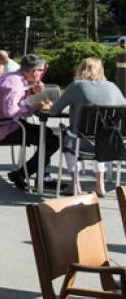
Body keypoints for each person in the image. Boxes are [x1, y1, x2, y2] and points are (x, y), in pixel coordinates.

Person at [51, 57, 126, 196]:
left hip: (80, 141)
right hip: (106, 143)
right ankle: (100, 186)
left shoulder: (76, 86)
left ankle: (75, 185)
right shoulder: (112, 87)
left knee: (68, 141)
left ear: (81, 69)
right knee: (99, 137)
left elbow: (54, 111)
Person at [0, 54, 59, 190]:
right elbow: (11, 111)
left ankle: (29, 175)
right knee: (51, 140)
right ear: (34, 71)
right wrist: (33, 107)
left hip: (5, 124)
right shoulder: (15, 84)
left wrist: (32, 92)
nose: (42, 73)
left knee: (47, 135)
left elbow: (18, 103)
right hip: (3, 127)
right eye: (42, 70)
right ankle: (25, 174)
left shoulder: (15, 77)